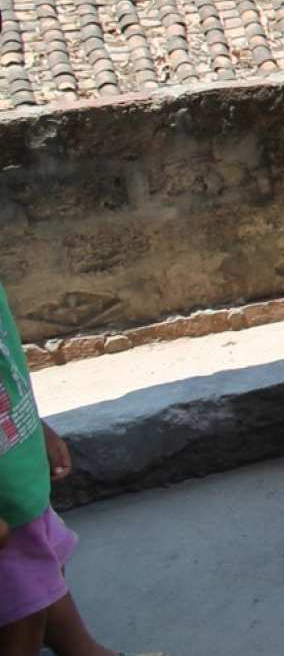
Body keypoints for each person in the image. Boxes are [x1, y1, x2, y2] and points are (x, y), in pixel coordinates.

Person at [0, 281, 128, 656]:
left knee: (44, 572)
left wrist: (35, 426)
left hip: (18, 477)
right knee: (23, 608)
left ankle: (83, 650)